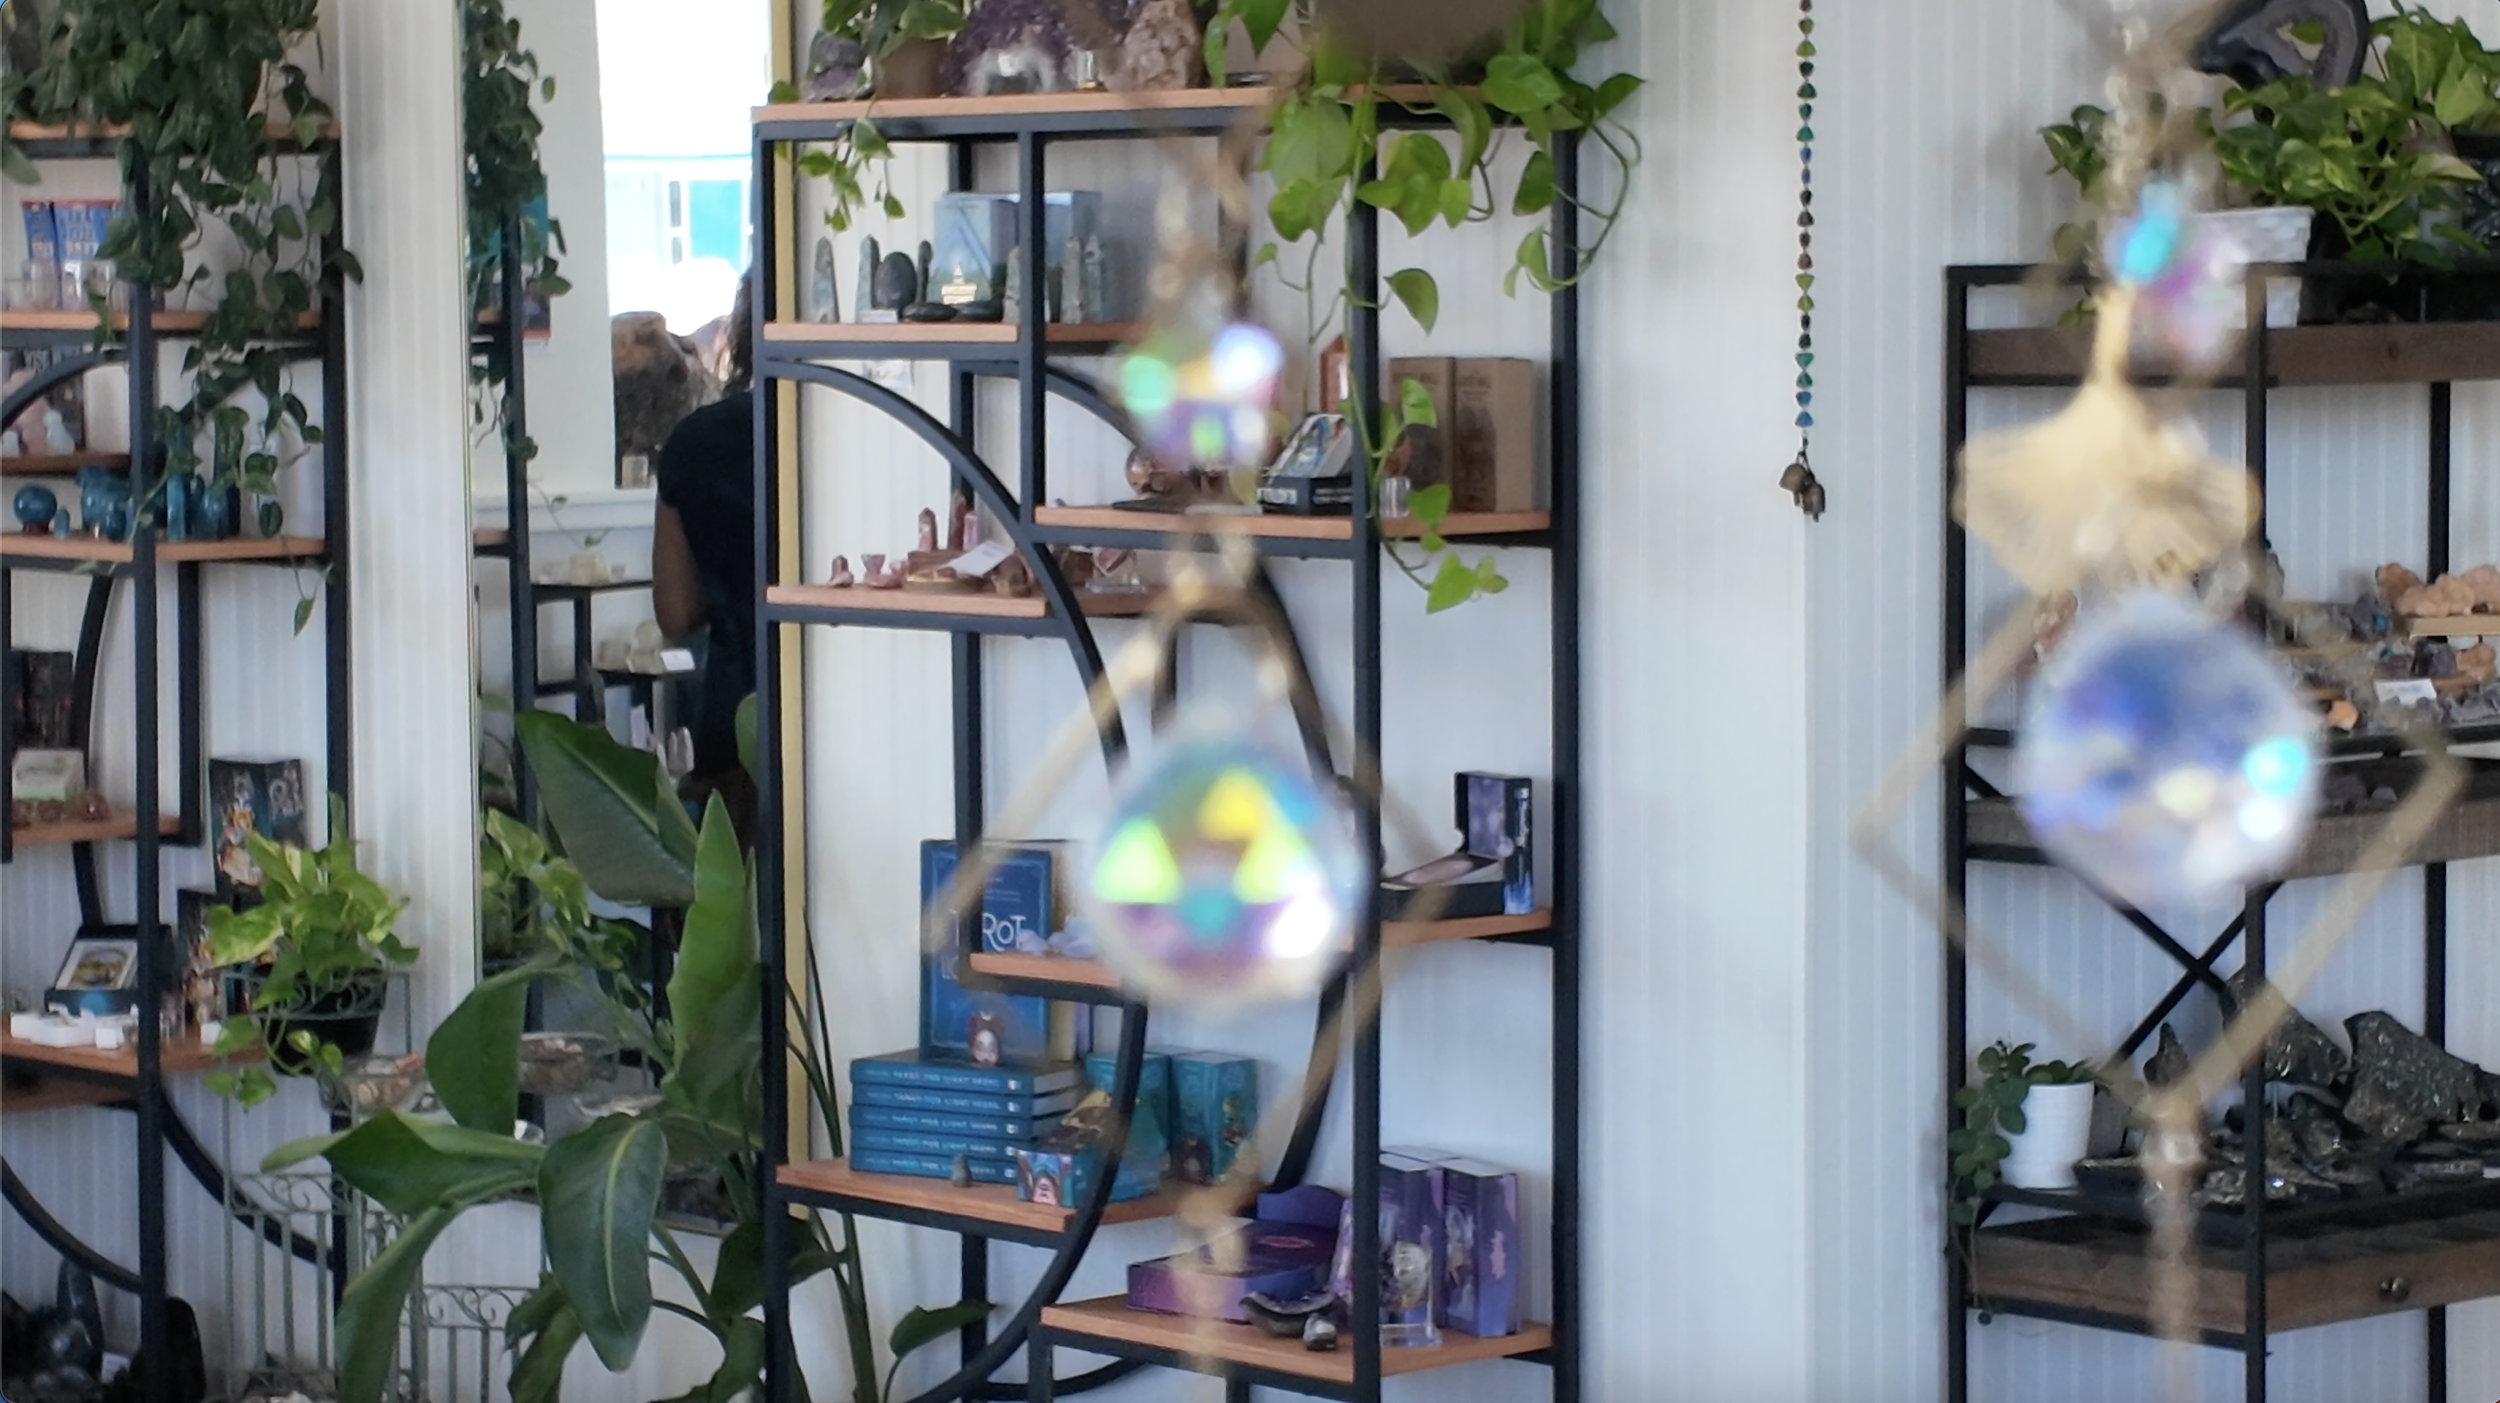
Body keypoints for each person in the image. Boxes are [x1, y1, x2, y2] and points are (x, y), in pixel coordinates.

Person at [652, 276, 757, 814]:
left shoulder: (694, 442)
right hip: (840, 703)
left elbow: (676, 613)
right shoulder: (842, 431)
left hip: (734, 707)